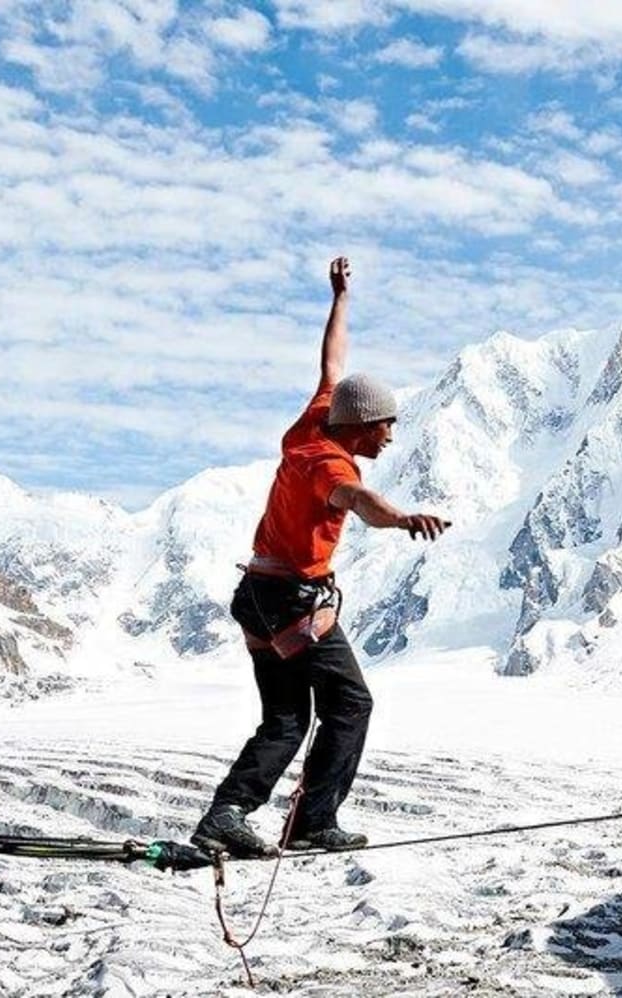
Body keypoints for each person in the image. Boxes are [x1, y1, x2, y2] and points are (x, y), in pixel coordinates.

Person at [191, 256, 451, 858]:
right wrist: (404, 518)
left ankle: (226, 815)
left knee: (286, 719)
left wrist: (340, 299)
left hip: (256, 596)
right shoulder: (328, 463)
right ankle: (313, 819)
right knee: (352, 703)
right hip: (290, 603)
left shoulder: (316, 419)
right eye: (386, 427)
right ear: (362, 426)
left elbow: (331, 361)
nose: (390, 436)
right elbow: (358, 500)